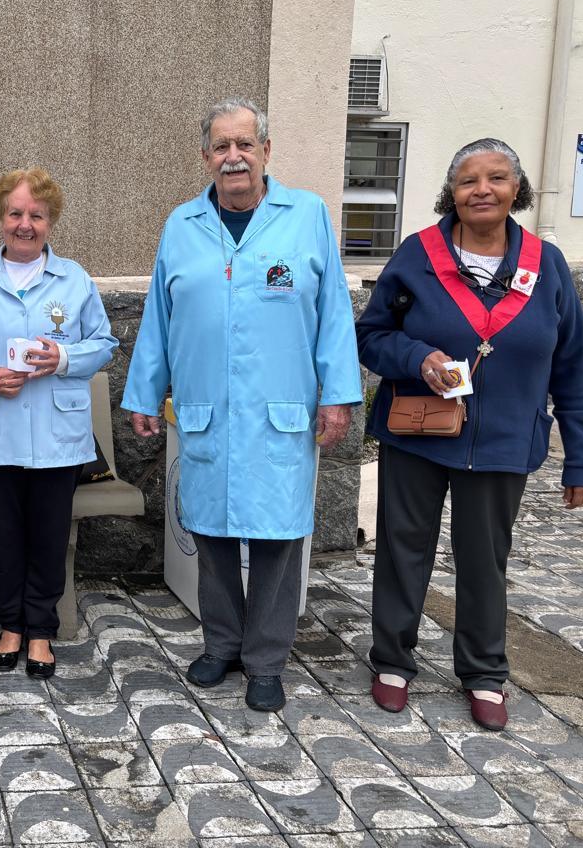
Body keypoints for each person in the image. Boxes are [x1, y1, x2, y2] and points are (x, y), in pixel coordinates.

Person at [122, 97, 361, 712]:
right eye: (222, 146)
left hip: (280, 409)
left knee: (278, 537)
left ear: (265, 152)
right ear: (206, 156)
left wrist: (338, 395)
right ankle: (222, 643)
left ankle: (266, 660)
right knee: (211, 532)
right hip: (208, 408)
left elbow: (334, 312)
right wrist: (145, 391)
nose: (234, 157)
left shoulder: (306, 216)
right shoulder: (182, 224)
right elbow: (160, 316)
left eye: (245, 144)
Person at [356, 138, 583, 731]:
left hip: (504, 441)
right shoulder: (418, 255)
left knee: (485, 560)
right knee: (402, 550)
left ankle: (484, 672)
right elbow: (371, 336)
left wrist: (582, 459)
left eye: (496, 178)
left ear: (517, 189)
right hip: (418, 431)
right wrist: (417, 357)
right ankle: (392, 661)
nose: (482, 190)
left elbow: (572, 366)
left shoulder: (547, 265)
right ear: (452, 193)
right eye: (468, 181)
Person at [0, 168, 117, 679]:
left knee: (48, 535)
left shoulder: (74, 280)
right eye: (15, 213)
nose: (25, 224)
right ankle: (10, 625)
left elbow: (104, 343)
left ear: (50, 221)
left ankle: (40, 628)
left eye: (36, 215)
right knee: (2, 536)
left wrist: (63, 358)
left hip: (58, 437)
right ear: (0, 218)